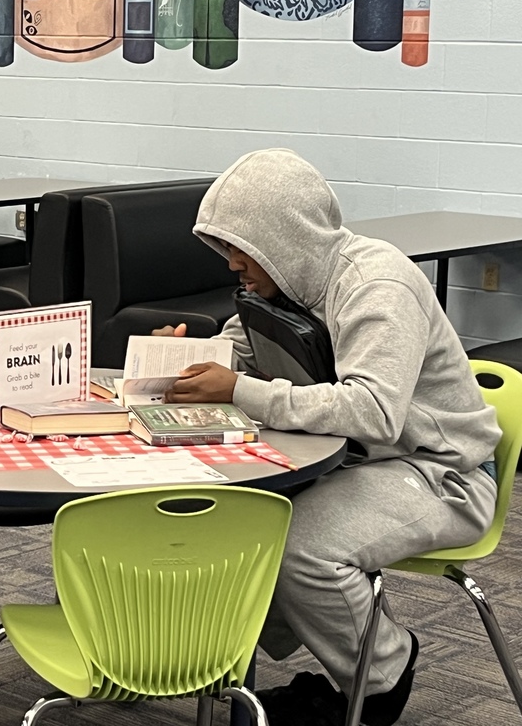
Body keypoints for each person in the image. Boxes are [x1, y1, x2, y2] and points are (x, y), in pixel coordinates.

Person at [156, 148, 500, 726]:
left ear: (282, 238)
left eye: (240, 245)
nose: (232, 261)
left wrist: (238, 390)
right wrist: (186, 358)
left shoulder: (377, 285)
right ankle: (232, 668)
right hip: (356, 460)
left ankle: (382, 673)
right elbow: (243, 350)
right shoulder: (287, 284)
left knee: (298, 547)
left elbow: (374, 410)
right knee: (234, 516)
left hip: (440, 471)